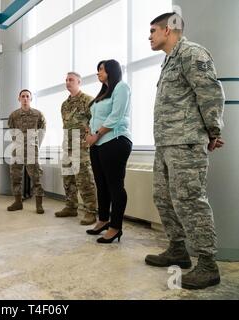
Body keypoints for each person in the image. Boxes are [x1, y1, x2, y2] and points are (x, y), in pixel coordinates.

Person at [145, 12, 225, 290]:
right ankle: (178, 248)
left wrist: (213, 131)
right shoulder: (169, 60)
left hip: (186, 142)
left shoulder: (192, 54)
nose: (150, 36)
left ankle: (207, 264)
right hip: (166, 143)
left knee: (190, 200)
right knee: (164, 198)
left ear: (168, 30)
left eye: (153, 30)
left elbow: (210, 93)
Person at [85, 60, 132, 243]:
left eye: (101, 70)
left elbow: (116, 115)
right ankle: (103, 220)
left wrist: (96, 134)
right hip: (97, 144)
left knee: (115, 186)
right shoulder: (103, 93)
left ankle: (115, 227)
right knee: (101, 184)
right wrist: (90, 134)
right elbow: (94, 118)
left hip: (115, 141)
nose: (98, 73)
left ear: (111, 71)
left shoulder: (121, 87)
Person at [55, 72, 97, 225]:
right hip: (68, 147)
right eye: (66, 80)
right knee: (68, 178)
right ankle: (71, 207)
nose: (67, 82)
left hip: (81, 148)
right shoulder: (64, 105)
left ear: (79, 81)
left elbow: (96, 122)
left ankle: (91, 212)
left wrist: (89, 139)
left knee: (84, 180)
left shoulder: (88, 100)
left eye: (71, 80)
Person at [7, 89, 46, 214]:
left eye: (27, 96)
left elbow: (42, 130)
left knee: (36, 177)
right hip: (17, 149)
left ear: (31, 99)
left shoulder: (38, 114)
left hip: (31, 150)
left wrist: (35, 144)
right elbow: (11, 130)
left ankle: (39, 205)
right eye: (22, 96)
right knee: (15, 176)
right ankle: (18, 202)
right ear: (19, 99)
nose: (25, 99)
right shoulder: (13, 115)